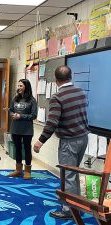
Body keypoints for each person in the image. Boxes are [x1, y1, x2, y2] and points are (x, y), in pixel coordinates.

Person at [33, 65, 89, 220]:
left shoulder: (57, 97)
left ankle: (69, 210)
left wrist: (40, 141)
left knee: (68, 175)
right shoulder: (82, 93)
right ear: (71, 77)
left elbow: (52, 123)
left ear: (56, 80)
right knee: (74, 172)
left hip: (69, 141)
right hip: (83, 138)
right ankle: (76, 205)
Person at [7, 79, 37, 179]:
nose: (19, 88)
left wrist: (20, 116)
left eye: (21, 86)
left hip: (27, 129)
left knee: (27, 149)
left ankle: (28, 171)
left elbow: (33, 115)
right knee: (18, 149)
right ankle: (18, 170)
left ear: (26, 87)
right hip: (15, 128)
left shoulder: (32, 100)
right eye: (18, 86)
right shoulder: (15, 98)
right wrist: (12, 114)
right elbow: (10, 110)